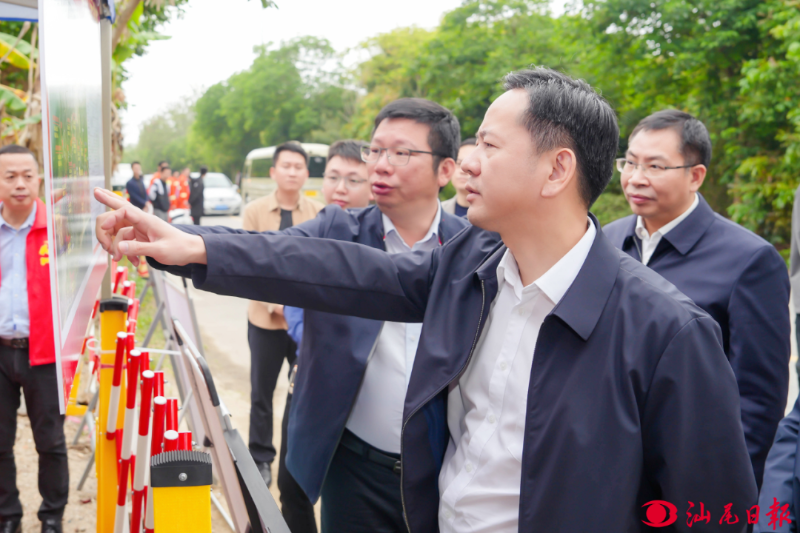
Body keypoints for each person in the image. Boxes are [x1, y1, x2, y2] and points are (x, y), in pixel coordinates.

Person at [95, 68, 756, 532]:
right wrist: (195, 245)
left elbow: (717, 512)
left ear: (557, 170)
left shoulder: (666, 332)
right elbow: (341, 269)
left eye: (489, 147)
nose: (468, 163)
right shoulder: (473, 263)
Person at [603, 109, 790, 488]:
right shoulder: (605, 243)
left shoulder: (749, 260)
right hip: (609, 468)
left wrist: (727, 496)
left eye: (655, 166)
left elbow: (758, 402)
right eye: (630, 163)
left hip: (694, 477)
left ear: (696, 175)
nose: (636, 178)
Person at [278, 139, 373, 533]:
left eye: (354, 180)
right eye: (333, 177)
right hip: (312, 380)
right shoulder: (313, 235)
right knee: (292, 484)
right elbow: (293, 306)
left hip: (366, 402)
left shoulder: (384, 242)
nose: (340, 189)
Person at [241, 142, 324, 488]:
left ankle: (294, 462)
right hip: (265, 321)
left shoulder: (320, 212)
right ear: (274, 172)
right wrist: (279, 306)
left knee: (301, 395)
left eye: (298, 166)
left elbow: (322, 268)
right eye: (286, 166)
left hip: (305, 325)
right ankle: (261, 458)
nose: (292, 172)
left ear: (306, 173)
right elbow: (247, 266)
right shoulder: (255, 211)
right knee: (262, 393)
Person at [0, 145, 67, 533]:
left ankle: (52, 516)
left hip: (43, 354)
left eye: (28, 175)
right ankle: (8, 515)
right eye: (10, 176)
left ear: (39, 180)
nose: (20, 184)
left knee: (51, 442)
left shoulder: (58, 228)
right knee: (0, 443)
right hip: (1, 350)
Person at [441, 138, 475, 217]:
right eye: (459, 163)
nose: (463, 171)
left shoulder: (497, 216)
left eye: (471, 164)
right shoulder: (438, 213)